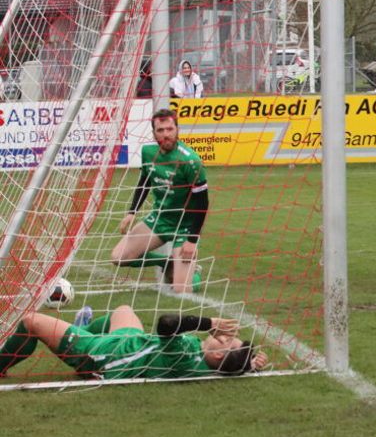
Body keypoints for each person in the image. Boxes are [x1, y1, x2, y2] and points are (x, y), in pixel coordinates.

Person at [0, 304, 267, 379]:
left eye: (227, 341)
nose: (224, 336)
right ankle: (81, 329)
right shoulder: (209, 366)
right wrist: (250, 364)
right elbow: (233, 366)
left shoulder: (185, 354)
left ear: (218, 356)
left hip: (104, 356)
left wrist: (208, 323)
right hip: (132, 341)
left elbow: (167, 324)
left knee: (32, 321)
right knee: (123, 310)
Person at [111, 108, 208, 294]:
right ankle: (167, 262)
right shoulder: (148, 152)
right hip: (159, 219)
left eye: (170, 129)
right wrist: (132, 212)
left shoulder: (191, 161)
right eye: (160, 130)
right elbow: (145, 182)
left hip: (184, 227)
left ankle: (191, 272)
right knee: (118, 257)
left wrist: (192, 240)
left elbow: (203, 204)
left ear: (177, 130)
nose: (166, 134)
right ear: (154, 133)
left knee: (182, 290)